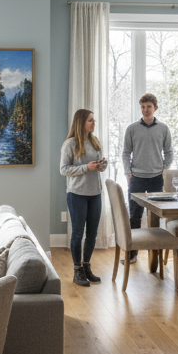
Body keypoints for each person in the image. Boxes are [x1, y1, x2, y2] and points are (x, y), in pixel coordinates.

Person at [121, 93, 174, 263]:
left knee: (155, 216)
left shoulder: (164, 129)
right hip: (136, 178)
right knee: (134, 216)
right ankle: (132, 254)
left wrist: (164, 169)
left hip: (156, 178)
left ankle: (154, 255)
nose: (145, 110)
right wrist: (128, 172)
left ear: (155, 108)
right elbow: (126, 153)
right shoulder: (132, 129)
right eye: (143, 107)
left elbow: (169, 152)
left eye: (149, 106)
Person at [60, 109, 106, 287]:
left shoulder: (95, 141)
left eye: (94, 120)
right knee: (78, 233)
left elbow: (96, 166)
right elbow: (63, 169)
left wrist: (101, 165)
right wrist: (87, 168)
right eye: (90, 120)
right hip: (77, 195)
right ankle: (77, 270)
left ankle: (87, 266)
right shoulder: (70, 144)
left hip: (95, 193)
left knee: (92, 234)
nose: (94, 123)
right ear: (81, 122)